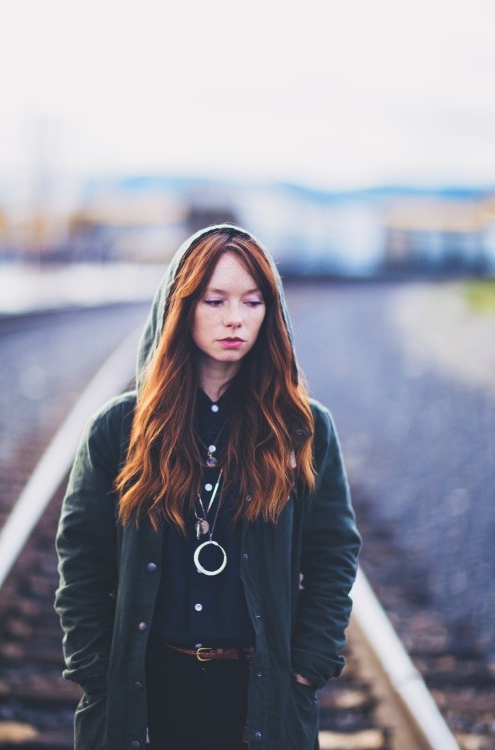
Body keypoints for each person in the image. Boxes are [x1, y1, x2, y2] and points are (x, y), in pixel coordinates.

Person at [55, 224, 361, 750]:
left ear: (272, 314)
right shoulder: (119, 429)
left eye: (253, 302)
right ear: (181, 307)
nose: (235, 318)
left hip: (257, 692)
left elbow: (334, 552)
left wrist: (310, 666)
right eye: (215, 300)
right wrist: (94, 671)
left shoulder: (302, 428)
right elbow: (81, 556)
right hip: (147, 691)